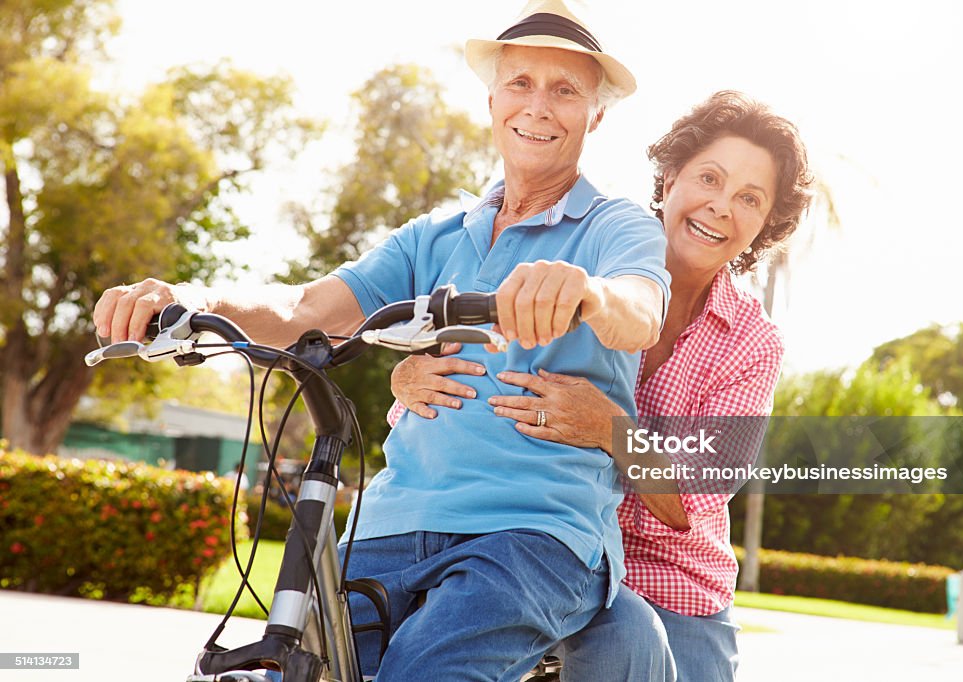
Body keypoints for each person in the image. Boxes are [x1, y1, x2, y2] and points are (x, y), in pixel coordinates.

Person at [91, 1, 671, 679]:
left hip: (530, 533)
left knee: (425, 670)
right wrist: (195, 301)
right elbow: (307, 307)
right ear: (491, 99)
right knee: (297, 667)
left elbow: (641, 307)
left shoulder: (616, 227)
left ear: (595, 114)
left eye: (565, 90)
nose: (538, 107)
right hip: (390, 522)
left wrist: (589, 293)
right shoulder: (432, 236)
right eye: (520, 83)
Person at [388, 90, 814, 680]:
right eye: (708, 179)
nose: (721, 206)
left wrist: (611, 429)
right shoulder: (581, 268)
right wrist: (407, 378)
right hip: (537, 542)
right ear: (668, 181)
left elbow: (693, 497)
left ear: (765, 225)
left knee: (632, 640)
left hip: (671, 577)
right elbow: (475, 398)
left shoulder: (751, 341)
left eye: (749, 198)